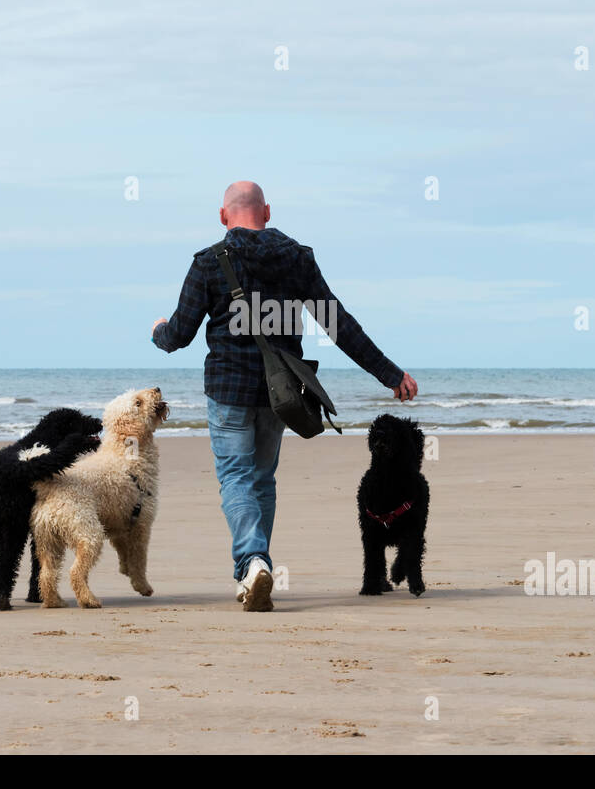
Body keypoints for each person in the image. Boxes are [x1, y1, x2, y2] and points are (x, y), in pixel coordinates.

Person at [151, 181, 417, 611]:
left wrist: (157, 332)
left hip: (229, 389)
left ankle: (253, 562)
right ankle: (255, 570)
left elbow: (179, 335)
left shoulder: (208, 263)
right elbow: (338, 324)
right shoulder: (297, 259)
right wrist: (389, 373)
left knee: (237, 478)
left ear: (223, 217)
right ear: (268, 212)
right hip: (281, 394)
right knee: (261, 480)